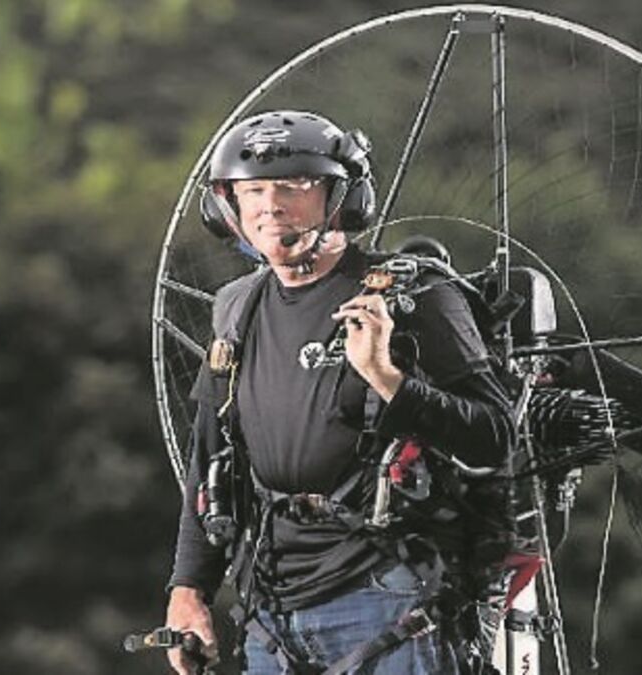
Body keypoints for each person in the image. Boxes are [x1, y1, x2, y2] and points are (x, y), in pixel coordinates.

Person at [164, 110, 514, 674]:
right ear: (225, 207)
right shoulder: (236, 309)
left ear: (342, 198)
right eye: (252, 191)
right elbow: (210, 459)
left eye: (293, 186)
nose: (270, 205)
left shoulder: (416, 296)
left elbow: (495, 437)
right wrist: (189, 590)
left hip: (388, 598)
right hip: (269, 611)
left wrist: (387, 378)